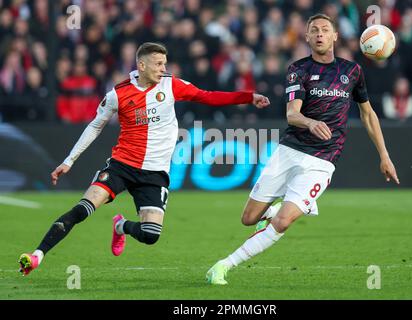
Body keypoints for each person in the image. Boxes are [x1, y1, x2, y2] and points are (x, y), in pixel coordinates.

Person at [18, 42, 270, 276]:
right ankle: (37, 255)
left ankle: (120, 227)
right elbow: (95, 126)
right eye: (159, 64)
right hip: (122, 165)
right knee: (84, 208)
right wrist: (69, 161)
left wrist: (248, 96)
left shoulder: (171, 85)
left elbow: (208, 96)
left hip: (154, 173)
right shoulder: (118, 94)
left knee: (150, 235)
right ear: (142, 65)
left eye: (165, 63)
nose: (164, 68)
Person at [206, 14, 400, 285]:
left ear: (335, 36)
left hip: (323, 159)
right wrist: (311, 122)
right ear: (307, 38)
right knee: (249, 218)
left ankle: (223, 265)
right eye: (314, 31)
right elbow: (292, 114)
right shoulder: (298, 69)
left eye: (325, 30)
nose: (319, 34)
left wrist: (384, 156)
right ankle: (279, 209)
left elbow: (368, 114)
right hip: (290, 150)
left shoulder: (352, 72)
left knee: (283, 222)